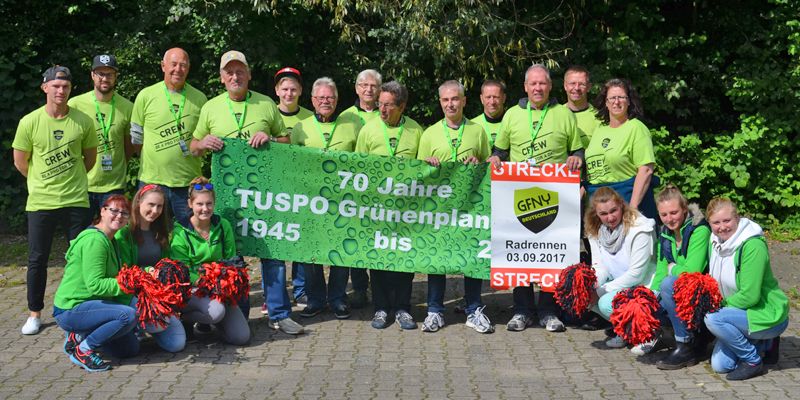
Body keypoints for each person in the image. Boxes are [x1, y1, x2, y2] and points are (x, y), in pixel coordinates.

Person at [190, 50, 288, 321]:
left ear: (249, 74)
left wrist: (269, 137)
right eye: (229, 72)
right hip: (227, 197)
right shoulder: (211, 107)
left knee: (273, 253)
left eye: (240, 71)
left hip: (264, 195)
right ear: (222, 78)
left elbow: (286, 143)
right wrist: (203, 143)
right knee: (232, 256)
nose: (235, 76)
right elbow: (193, 147)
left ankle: (279, 314)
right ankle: (239, 312)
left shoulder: (266, 104)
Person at [487, 63, 583, 333]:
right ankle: (521, 311)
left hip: (556, 197)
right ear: (525, 87)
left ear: (550, 86)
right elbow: (501, 151)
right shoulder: (511, 115)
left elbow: (576, 150)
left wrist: (577, 158)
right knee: (519, 254)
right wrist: (495, 157)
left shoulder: (564, 114)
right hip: (518, 195)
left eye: (543, 83)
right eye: (533, 84)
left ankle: (549, 312)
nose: (538, 88)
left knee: (551, 256)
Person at [13, 65, 98, 335]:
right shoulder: (29, 121)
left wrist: (70, 180)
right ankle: (34, 314)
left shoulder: (83, 121)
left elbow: (89, 158)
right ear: (45, 87)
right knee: (38, 259)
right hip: (41, 202)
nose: (61, 91)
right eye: (56, 86)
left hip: (76, 200)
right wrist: (41, 181)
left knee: (79, 257)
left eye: (66, 86)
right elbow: (21, 162)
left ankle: (79, 310)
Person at [418, 80, 493, 333]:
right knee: (437, 258)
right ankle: (435, 311)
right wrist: (428, 163)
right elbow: (419, 175)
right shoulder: (429, 134)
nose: (450, 104)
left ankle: (474, 310)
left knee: (472, 257)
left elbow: (487, 165)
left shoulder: (478, 130)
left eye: (455, 99)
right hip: (439, 209)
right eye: (445, 100)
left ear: (464, 100)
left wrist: (477, 161)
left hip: (470, 208)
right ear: (440, 103)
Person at [355, 81, 424, 330]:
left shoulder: (416, 131)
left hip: (406, 210)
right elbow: (358, 168)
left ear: (402, 106)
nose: (382, 109)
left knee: (405, 258)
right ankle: (381, 308)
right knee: (379, 258)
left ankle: (404, 308)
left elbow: (425, 171)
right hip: (376, 209)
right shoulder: (368, 130)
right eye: (380, 104)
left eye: (388, 105)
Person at [291, 77, 362, 320]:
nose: (325, 101)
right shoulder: (301, 127)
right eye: (320, 98)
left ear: (337, 99)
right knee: (311, 252)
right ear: (311, 100)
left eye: (329, 97)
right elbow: (291, 163)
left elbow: (363, 162)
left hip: (343, 201)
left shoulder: (353, 125)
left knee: (340, 251)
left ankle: (338, 298)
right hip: (310, 202)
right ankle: (316, 299)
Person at [702, 198, 788, 381]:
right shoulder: (714, 241)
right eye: (716, 222)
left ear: (737, 218)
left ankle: (753, 361)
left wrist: (717, 306)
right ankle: (766, 344)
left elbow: (750, 296)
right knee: (721, 365)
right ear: (709, 223)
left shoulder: (752, 245)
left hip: (766, 313)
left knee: (712, 318)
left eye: (727, 221)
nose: (722, 227)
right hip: (737, 313)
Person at [53, 195, 139, 372]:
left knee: (129, 350)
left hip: (93, 303)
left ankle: (78, 335)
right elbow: (96, 285)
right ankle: (83, 350)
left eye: (124, 213)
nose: (119, 216)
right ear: (102, 211)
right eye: (114, 210)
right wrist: (130, 284)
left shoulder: (111, 239)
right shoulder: (95, 240)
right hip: (73, 307)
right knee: (127, 316)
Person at [170, 177, 250, 345]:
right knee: (216, 312)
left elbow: (231, 259)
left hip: (219, 286)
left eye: (209, 204)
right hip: (193, 287)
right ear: (190, 204)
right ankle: (185, 319)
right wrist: (205, 281)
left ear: (214, 204)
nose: (205, 209)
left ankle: (216, 325)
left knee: (241, 337)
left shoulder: (223, 225)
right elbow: (182, 270)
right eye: (199, 204)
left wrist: (226, 281)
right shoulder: (180, 232)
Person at [130, 47, 208, 222]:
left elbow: (202, 139)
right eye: (173, 64)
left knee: (189, 236)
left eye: (183, 65)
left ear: (188, 69)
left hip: (188, 183)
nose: (178, 69)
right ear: (163, 66)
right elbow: (136, 138)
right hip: (152, 181)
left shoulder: (200, 99)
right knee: (150, 236)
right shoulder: (146, 95)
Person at [584, 187, 657, 351]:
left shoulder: (640, 228)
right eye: (603, 214)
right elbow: (599, 267)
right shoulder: (595, 230)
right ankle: (626, 330)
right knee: (587, 297)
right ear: (596, 214)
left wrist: (601, 292)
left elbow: (636, 274)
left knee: (604, 303)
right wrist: (591, 286)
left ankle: (648, 333)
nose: (610, 218)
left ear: (622, 206)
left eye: (613, 211)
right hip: (618, 282)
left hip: (644, 284)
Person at [116, 184, 185, 353]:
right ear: (139, 202)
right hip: (133, 292)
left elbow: (166, 261)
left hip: (156, 292)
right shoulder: (124, 233)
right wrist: (149, 272)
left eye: (159, 206)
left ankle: (146, 326)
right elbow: (124, 270)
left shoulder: (160, 230)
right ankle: (136, 325)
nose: (155, 211)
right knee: (148, 331)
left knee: (177, 344)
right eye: (151, 205)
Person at [68, 55, 135, 218]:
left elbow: (128, 147)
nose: (105, 78)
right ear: (92, 75)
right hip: (82, 183)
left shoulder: (127, 107)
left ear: (116, 76)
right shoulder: (75, 105)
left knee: (113, 234)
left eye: (109, 74)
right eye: (100, 74)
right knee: (81, 235)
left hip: (114, 185)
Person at [651, 185, 711, 365]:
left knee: (669, 284)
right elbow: (661, 268)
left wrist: (673, 268)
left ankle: (684, 346)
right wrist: (650, 296)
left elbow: (693, 271)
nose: (669, 219)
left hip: (703, 292)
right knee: (645, 300)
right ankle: (672, 337)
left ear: (684, 209)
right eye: (664, 215)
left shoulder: (699, 229)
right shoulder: (664, 233)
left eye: (674, 212)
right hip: (681, 292)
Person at [585, 79, 657, 220]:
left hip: (626, 204)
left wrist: (632, 209)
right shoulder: (599, 129)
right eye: (612, 98)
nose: (616, 102)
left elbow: (646, 170)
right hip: (598, 206)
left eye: (621, 97)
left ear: (629, 101)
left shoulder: (636, 128)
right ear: (606, 102)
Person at [341, 68, 382, 307]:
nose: (368, 90)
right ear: (356, 88)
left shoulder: (387, 112)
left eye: (373, 86)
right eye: (364, 85)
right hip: (355, 190)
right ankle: (358, 288)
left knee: (377, 239)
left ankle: (379, 288)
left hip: (382, 191)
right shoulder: (346, 116)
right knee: (356, 238)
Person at [273, 66, 313, 310]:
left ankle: (301, 290)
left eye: (293, 89)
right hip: (275, 187)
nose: (289, 93)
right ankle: (276, 293)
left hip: (302, 189)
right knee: (277, 241)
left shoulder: (309, 118)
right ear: (277, 91)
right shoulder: (268, 114)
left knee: (299, 240)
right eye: (284, 88)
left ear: (300, 91)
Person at [563, 66, 601, 148]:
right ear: (565, 86)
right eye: (572, 83)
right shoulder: (556, 115)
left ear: (589, 87)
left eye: (582, 84)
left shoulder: (599, 117)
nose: (576, 88)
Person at [471, 80, 507, 149]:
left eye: (496, 97)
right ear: (481, 99)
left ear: (504, 98)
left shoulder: (512, 122)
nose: (492, 102)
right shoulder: (472, 125)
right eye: (488, 97)